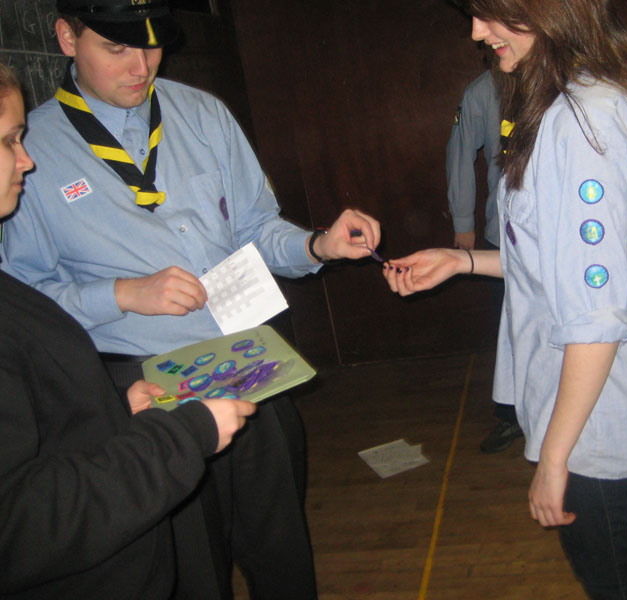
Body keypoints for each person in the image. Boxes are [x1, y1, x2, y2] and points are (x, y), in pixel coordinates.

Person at [0, 1, 381, 598]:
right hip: (138, 395)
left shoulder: (203, 114)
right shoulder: (27, 151)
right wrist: (123, 295)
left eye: (150, 47)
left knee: (282, 553)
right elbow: (25, 304)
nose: (141, 68)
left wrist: (317, 245)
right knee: (190, 572)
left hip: (247, 367)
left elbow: (259, 229)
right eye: (117, 49)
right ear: (67, 38)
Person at [384, 0, 627, 597]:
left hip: (592, 423)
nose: (476, 32)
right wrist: (463, 259)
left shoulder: (579, 122)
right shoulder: (580, 97)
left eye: (490, 12)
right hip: (592, 408)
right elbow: (561, 263)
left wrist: (554, 459)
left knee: (618, 584)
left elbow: (596, 316)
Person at [0, 60, 258, 599]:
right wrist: (182, 434)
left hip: (228, 368)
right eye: (7, 142)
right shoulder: (53, 141)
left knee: (273, 539)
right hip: (156, 431)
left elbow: (47, 403)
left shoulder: (202, 111)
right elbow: (23, 523)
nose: (26, 159)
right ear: (68, 39)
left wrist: (116, 398)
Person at [446, 68, 522, 453]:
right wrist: (463, 221)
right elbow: (460, 153)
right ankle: (511, 416)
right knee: (509, 331)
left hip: (558, 234)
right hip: (503, 232)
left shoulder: (565, 75)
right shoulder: (482, 90)